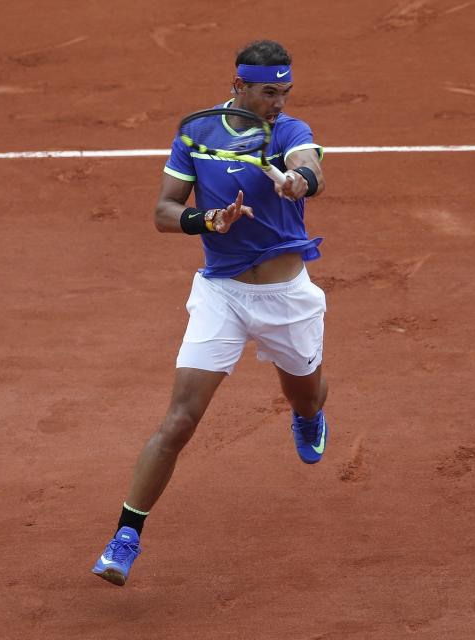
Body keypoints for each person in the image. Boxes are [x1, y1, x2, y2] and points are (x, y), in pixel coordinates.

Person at [91, 39, 328, 586]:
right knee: (179, 419)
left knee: (306, 394)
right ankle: (126, 537)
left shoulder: (290, 131)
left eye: (285, 91)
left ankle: (309, 414)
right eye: (269, 91)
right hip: (221, 294)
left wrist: (298, 182)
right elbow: (163, 212)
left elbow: (309, 169)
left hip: (286, 298)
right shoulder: (196, 133)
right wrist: (207, 222)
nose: (279, 101)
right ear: (239, 85)